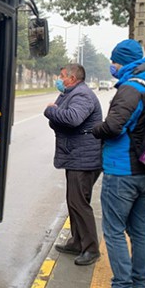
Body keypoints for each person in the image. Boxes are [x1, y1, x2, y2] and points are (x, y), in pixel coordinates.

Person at [87, 39, 145, 288]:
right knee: (138, 230)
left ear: (121, 61)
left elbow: (113, 127)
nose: (111, 65)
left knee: (113, 231)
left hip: (121, 171)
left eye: (113, 60)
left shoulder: (130, 89)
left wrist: (94, 129)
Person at [44, 63, 102, 266]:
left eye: (61, 76)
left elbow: (72, 119)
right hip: (76, 155)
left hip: (84, 158)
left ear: (73, 77)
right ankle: (77, 242)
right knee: (73, 201)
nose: (58, 79)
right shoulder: (71, 92)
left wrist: (50, 111)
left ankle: (91, 248)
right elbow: (60, 120)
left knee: (79, 203)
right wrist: (55, 115)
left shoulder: (82, 95)